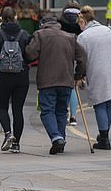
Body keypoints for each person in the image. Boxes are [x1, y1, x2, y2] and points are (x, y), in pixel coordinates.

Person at [25, 13, 87, 154]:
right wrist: (78, 74)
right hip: (66, 80)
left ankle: (56, 137)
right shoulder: (70, 37)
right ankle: (60, 140)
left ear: (43, 24)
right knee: (61, 111)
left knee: (47, 111)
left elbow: (30, 54)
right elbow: (82, 57)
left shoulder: (40, 35)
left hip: (47, 81)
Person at [77, 5, 111, 150]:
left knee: (99, 104)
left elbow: (81, 59)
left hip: (97, 72)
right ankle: (104, 133)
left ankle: (104, 140)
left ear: (83, 22)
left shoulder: (83, 37)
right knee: (108, 104)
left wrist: (79, 76)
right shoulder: (109, 30)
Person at [0, 6, 32, 154]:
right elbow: (29, 55)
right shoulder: (24, 34)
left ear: (1, 18)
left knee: (2, 107)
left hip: (3, 76)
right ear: (16, 17)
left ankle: (8, 134)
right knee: (18, 110)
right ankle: (17, 144)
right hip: (21, 76)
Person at [58, 0, 82, 127]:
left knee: (60, 85)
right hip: (74, 56)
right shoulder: (79, 26)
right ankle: (73, 116)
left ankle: (63, 112)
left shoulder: (60, 24)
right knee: (73, 86)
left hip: (60, 56)